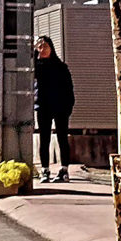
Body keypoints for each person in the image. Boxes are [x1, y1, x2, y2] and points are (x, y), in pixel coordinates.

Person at [34, 35, 75, 183]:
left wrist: (69, 105)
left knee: (62, 138)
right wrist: (34, 52)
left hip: (60, 106)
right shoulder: (36, 66)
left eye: (45, 46)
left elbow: (69, 88)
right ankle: (45, 170)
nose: (42, 49)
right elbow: (29, 67)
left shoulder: (61, 66)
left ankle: (64, 170)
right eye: (40, 47)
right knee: (44, 139)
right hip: (42, 106)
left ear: (51, 48)